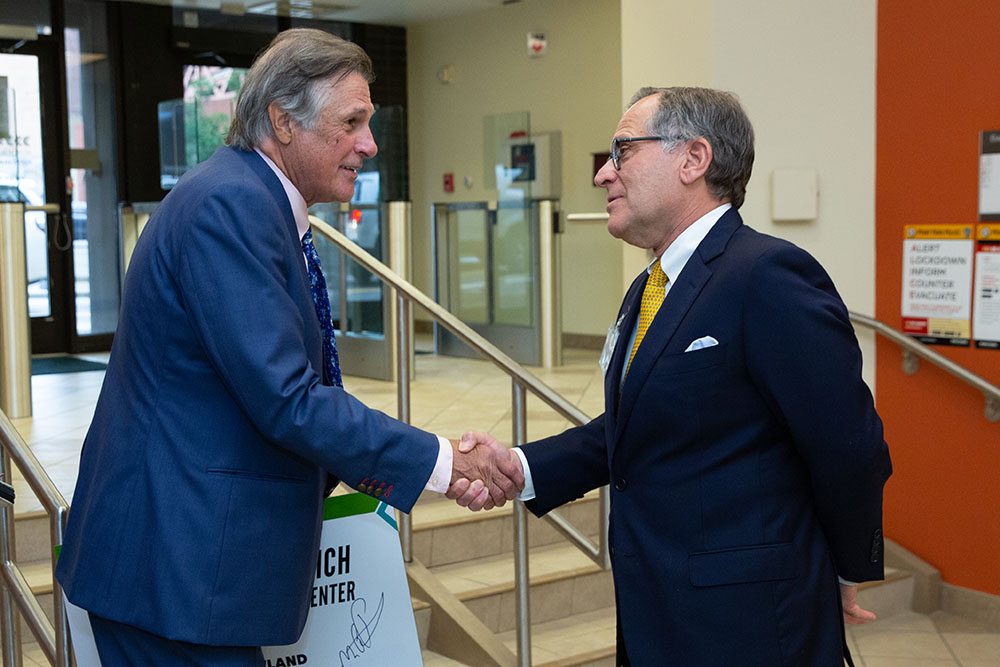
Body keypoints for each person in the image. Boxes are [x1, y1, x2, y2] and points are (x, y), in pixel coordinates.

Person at [55, 28, 520, 664]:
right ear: (282, 121)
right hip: (176, 569)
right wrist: (441, 461)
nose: (370, 144)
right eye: (352, 121)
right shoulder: (231, 206)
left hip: (192, 570)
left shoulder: (254, 201)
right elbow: (288, 399)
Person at [451, 87, 892, 666]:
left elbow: (847, 445)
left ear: (693, 159)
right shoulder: (650, 287)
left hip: (747, 623)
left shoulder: (767, 274)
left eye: (623, 151)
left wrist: (845, 564)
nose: (603, 174)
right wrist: (522, 467)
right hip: (656, 611)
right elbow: (637, 427)